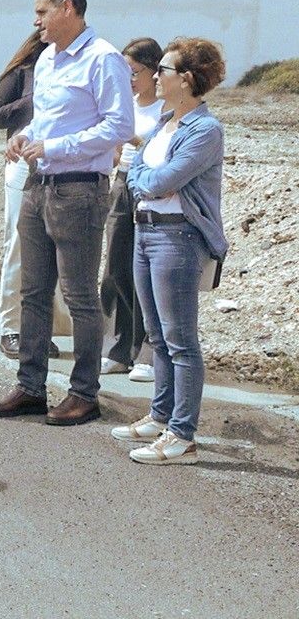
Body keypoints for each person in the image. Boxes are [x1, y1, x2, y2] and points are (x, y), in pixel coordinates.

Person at [0, 0, 133, 426]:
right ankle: (31, 386)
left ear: (68, 8)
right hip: (38, 185)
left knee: (80, 296)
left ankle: (84, 393)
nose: (37, 22)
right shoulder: (47, 59)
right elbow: (47, 121)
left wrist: (55, 148)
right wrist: (25, 138)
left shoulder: (103, 59)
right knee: (33, 292)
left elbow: (119, 127)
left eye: (43, 12)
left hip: (80, 190)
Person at [112, 38, 227, 465]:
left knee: (181, 341)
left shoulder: (205, 130)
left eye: (164, 69)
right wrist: (144, 171)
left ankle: (183, 436)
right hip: (146, 233)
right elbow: (140, 168)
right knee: (158, 336)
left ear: (188, 79)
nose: (155, 75)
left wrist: (142, 173)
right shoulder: (165, 121)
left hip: (177, 238)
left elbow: (155, 180)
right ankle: (161, 416)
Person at [0, 30, 69, 360]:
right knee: (19, 245)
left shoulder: (74, 69)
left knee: (51, 249)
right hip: (22, 163)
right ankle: (12, 328)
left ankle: (39, 329)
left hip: (61, 162)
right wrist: (35, 99)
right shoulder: (20, 72)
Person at [99, 38, 165, 381]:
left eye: (135, 71)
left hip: (152, 187)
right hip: (122, 183)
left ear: (155, 70)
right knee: (115, 267)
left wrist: (135, 141)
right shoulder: (125, 103)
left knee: (148, 271)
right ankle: (118, 347)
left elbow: (162, 151)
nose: (130, 79)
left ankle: (148, 351)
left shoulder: (166, 109)